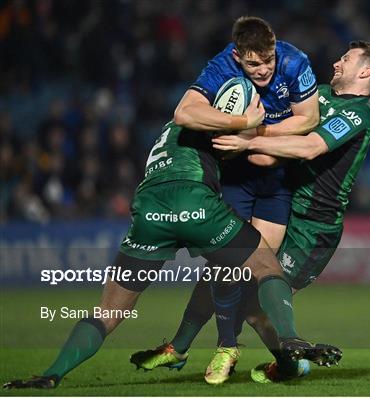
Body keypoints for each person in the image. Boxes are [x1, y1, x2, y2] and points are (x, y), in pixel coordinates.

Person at [2, 62, 336, 392]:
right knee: (265, 266)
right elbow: (250, 147)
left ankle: (51, 374)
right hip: (193, 201)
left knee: (109, 312)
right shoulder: (221, 119)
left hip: (148, 209)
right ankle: (290, 340)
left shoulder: (171, 127)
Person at [133, 40, 370, 383]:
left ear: (365, 71)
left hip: (313, 227)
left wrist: (248, 142)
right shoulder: (319, 94)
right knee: (224, 270)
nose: (336, 63)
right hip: (281, 204)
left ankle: (289, 361)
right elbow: (274, 123)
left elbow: (311, 147)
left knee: (254, 308)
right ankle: (179, 347)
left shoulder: (358, 113)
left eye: (346, 59)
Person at [129, 15, 322, 385]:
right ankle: (226, 347)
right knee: (227, 267)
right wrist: (236, 126)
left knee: (249, 273)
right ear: (238, 56)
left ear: (275, 47)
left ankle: (184, 347)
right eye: (253, 63)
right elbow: (184, 113)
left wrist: (253, 134)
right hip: (235, 180)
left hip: (278, 183)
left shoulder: (294, 61)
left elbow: (309, 118)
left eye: (268, 60)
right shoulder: (221, 65)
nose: (263, 70)